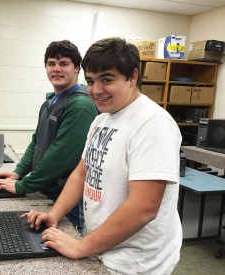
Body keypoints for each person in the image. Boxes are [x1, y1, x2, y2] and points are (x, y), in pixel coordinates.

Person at [22, 37, 183, 274]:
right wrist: (53, 214)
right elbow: (81, 172)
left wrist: (81, 246)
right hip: (103, 247)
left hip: (136, 262)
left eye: (107, 79)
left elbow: (144, 207)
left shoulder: (152, 123)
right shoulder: (102, 119)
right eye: (90, 81)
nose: (96, 90)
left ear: (133, 77)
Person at [0, 40, 98, 231]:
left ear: (77, 68)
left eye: (63, 63)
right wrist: (18, 173)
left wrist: (22, 186)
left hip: (66, 200)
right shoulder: (51, 101)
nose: (56, 69)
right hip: (46, 191)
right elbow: (36, 142)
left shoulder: (79, 106)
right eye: (51, 64)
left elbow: (59, 157)